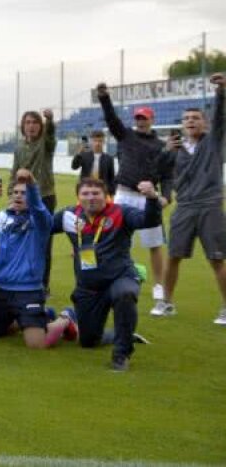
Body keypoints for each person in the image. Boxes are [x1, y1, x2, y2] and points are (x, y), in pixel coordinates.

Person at [55, 177, 162, 371]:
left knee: (125, 294)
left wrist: (152, 198)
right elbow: (41, 225)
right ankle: (123, 334)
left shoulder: (121, 212)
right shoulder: (69, 215)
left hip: (120, 278)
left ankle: (121, 355)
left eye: (96, 193)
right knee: (88, 341)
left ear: (107, 196)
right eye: (85, 194)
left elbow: (149, 220)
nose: (91, 198)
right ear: (78, 197)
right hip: (88, 288)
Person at [0, 170, 76, 348]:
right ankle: (40, 315)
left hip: (28, 291)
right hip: (2, 289)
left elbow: (38, 208)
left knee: (36, 344)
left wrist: (32, 184)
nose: (19, 196)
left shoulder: (42, 222)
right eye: (15, 192)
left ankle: (65, 318)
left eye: (24, 193)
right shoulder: (3, 218)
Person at [154, 74, 226, 323]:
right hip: (184, 207)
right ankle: (166, 303)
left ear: (205, 123)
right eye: (186, 119)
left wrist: (221, 91)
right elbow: (158, 170)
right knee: (173, 256)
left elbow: (221, 117)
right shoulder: (177, 149)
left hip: (210, 207)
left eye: (195, 118)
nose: (190, 121)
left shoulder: (214, 142)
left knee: (217, 258)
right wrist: (166, 151)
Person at [97, 82, 174, 303]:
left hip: (148, 199)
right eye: (138, 118)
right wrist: (104, 98)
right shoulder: (126, 135)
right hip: (124, 195)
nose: (140, 121)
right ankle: (116, 277)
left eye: (144, 118)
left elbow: (168, 175)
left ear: (152, 120)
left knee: (154, 244)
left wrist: (166, 197)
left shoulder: (161, 146)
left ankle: (158, 286)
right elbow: (111, 119)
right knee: (116, 241)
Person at [11, 108, 57, 287]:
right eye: (27, 122)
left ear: (41, 126)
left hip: (45, 197)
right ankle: (23, 277)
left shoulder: (46, 144)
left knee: (44, 242)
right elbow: (14, 172)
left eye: (35, 122)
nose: (31, 126)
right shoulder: (19, 148)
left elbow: (51, 135)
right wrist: (10, 194)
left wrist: (50, 120)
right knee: (22, 239)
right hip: (23, 198)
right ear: (22, 126)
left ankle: (43, 285)